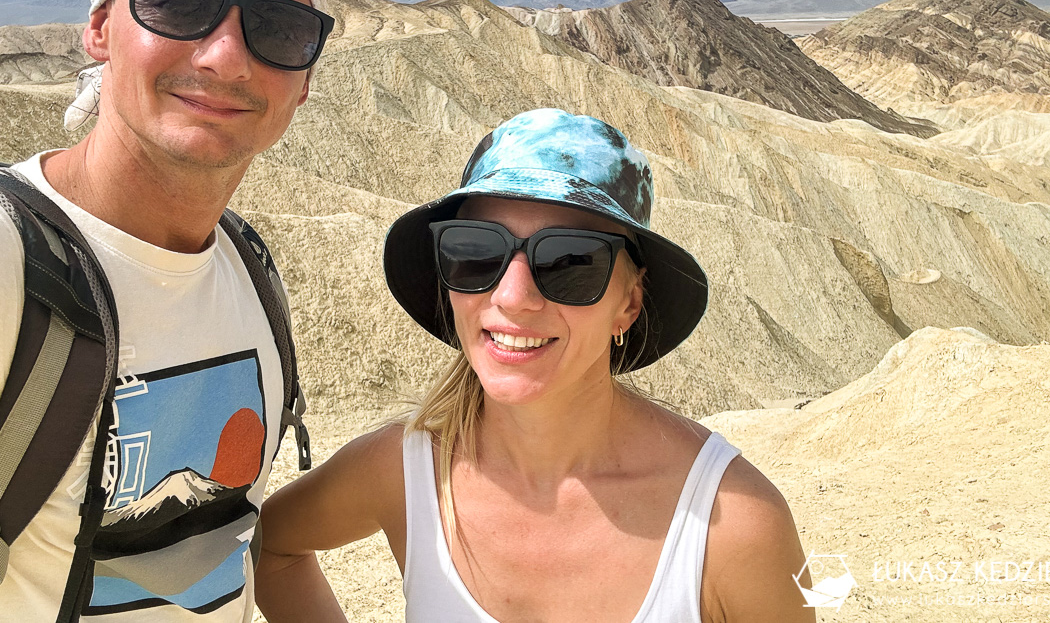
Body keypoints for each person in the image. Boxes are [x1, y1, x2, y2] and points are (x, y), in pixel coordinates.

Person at [0, 0, 339, 621]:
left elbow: (236, 539)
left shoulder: (248, 271)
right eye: (179, 0)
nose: (227, 57)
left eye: (280, 30)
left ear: (306, 82)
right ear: (99, 27)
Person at [257, 108, 814, 622]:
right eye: (476, 249)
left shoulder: (734, 527)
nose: (513, 296)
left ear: (629, 304)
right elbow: (270, 547)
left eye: (571, 261)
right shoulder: (404, 472)